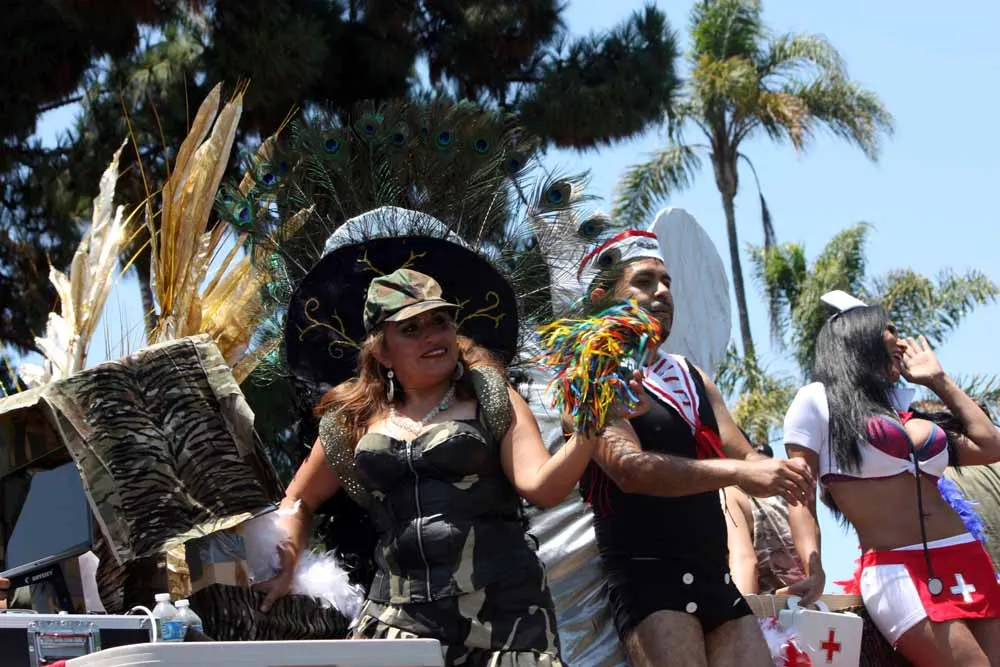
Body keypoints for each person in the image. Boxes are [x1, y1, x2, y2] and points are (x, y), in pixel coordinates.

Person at [259, 213, 620, 666]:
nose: (432, 336)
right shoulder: (352, 417)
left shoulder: (490, 393)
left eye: (441, 321)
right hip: (398, 622)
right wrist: (288, 556)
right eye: (411, 329)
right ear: (382, 350)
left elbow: (543, 487)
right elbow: (299, 498)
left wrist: (591, 422)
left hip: (504, 622)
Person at [570, 228, 814, 667]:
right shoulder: (589, 374)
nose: (663, 291)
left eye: (666, 281)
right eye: (644, 282)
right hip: (648, 578)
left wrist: (781, 474)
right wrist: (740, 472)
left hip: (714, 575)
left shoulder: (690, 375)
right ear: (603, 298)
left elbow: (745, 456)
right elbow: (631, 470)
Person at [783, 292, 1000, 666]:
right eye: (891, 330)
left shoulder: (904, 409)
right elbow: (799, 494)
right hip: (897, 570)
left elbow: (990, 445)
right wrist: (813, 567)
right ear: (861, 334)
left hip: (966, 556)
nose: (902, 342)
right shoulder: (817, 401)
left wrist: (939, 380)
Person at [722, 443, 807, 596]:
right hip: (803, 600)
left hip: (764, 605)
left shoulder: (729, 494)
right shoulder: (787, 492)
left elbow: (745, 562)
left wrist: (742, 608)